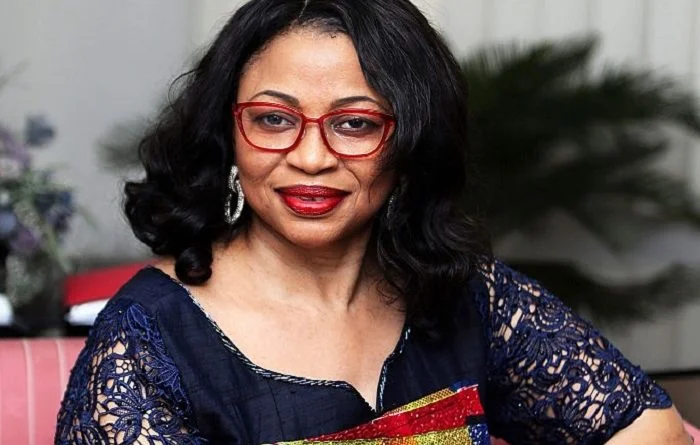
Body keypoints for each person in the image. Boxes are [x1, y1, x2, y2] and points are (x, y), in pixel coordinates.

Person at [55, 0, 691, 443]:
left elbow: (651, 429)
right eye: (273, 119)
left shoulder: (465, 294)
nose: (310, 157)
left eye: (355, 124)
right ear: (228, 134)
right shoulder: (148, 341)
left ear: (411, 143)